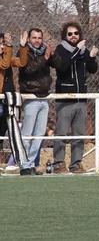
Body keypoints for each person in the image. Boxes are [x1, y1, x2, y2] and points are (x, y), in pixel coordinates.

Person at [51, 22, 99, 174]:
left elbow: (92, 69)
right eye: (70, 34)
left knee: (79, 133)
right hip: (65, 98)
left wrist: (91, 57)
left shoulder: (83, 51)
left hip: (81, 98)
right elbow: (63, 67)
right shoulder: (61, 49)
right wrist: (77, 51)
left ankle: (76, 163)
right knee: (62, 132)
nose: (73, 36)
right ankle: (59, 163)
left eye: (76, 33)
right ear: (65, 36)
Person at [18, 28, 53, 175]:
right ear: (28, 39)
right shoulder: (24, 52)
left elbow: (58, 64)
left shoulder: (44, 51)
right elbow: (28, 70)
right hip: (30, 97)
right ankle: (24, 164)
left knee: (39, 134)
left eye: (39, 38)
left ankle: (31, 163)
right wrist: (44, 58)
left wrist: (52, 54)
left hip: (44, 97)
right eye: (34, 38)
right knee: (27, 133)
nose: (37, 40)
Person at [0, 32, 29, 171]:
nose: (2, 47)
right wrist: (9, 46)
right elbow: (4, 64)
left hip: (9, 101)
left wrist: (22, 47)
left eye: (3, 44)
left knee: (12, 131)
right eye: (0, 44)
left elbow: (22, 62)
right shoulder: (4, 57)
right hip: (1, 100)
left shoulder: (7, 55)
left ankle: (21, 161)